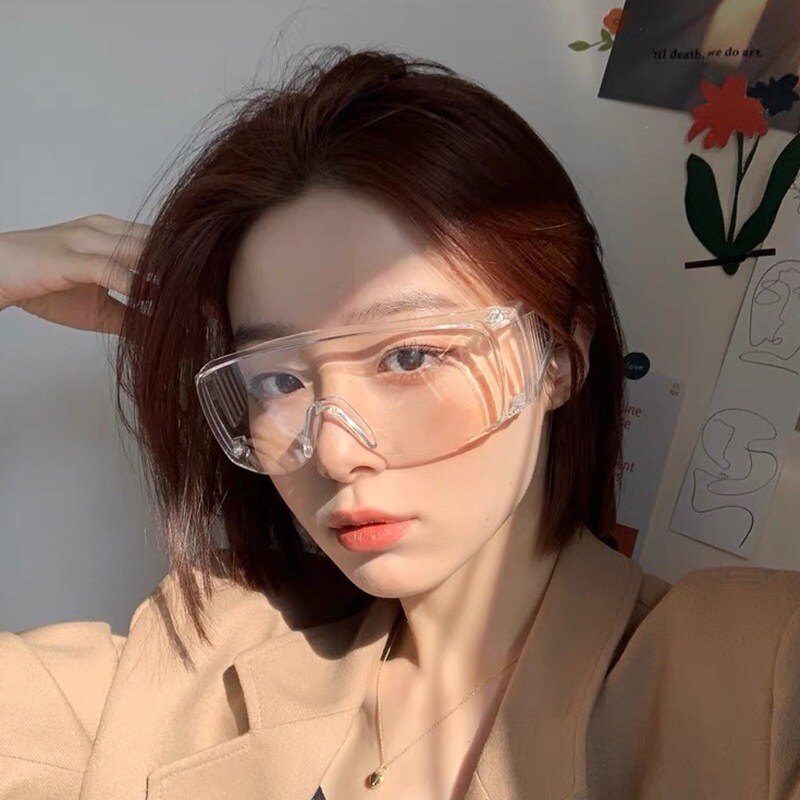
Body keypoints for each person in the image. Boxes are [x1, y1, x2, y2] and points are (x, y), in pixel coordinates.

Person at [1, 45, 799, 800]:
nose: (334, 452)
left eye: (409, 357)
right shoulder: (193, 665)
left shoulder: (756, 675)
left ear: (558, 355)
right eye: (279, 379)